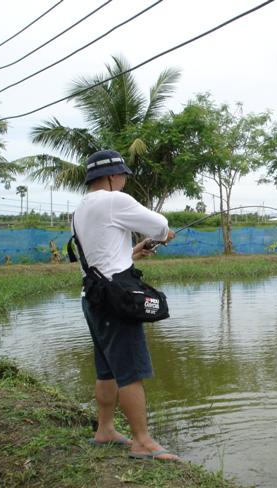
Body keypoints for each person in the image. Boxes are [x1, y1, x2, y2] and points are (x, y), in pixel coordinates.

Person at [72, 149, 179, 461]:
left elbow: (100, 257)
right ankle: (142, 441)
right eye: (121, 175)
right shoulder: (113, 201)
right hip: (116, 303)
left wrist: (133, 252)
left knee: (106, 368)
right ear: (109, 176)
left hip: (92, 300)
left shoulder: (80, 209)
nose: (124, 180)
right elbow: (160, 225)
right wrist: (163, 235)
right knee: (130, 370)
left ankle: (105, 429)